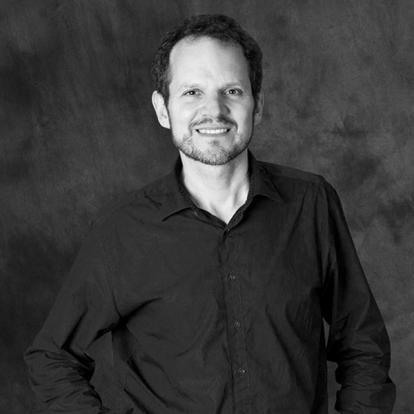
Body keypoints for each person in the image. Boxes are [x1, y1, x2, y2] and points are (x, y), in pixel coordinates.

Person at [25, 14, 396, 414]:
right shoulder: (122, 230)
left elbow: (364, 345)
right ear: (163, 109)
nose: (214, 111)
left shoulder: (311, 204)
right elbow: (52, 358)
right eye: (192, 92)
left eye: (232, 90)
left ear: (257, 105)